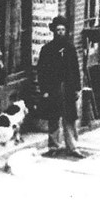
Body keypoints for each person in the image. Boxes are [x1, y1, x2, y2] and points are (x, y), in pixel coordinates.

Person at [37, 15, 83, 158]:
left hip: (68, 88)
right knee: (53, 118)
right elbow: (42, 71)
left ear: (66, 31)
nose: (60, 32)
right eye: (58, 30)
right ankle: (53, 145)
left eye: (63, 30)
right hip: (53, 88)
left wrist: (76, 88)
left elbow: (75, 69)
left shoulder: (70, 49)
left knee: (69, 118)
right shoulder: (47, 49)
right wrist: (44, 90)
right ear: (54, 31)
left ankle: (73, 146)